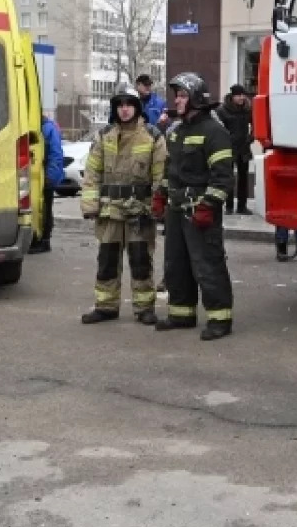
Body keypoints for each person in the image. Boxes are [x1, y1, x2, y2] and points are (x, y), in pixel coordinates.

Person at [154, 72, 237, 341]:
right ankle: (182, 313)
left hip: (200, 211)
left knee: (207, 264)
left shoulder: (214, 132)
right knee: (176, 264)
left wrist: (209, 205)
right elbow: (171, 171)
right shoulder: (177, 131)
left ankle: (219, 319)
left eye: (182, 95)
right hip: (176, 211)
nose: (176, 100)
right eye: (176, 95)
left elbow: (223, 176)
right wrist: (161, 194)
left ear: (195, 99)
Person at [79, 85, 168, 325]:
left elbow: (161, 174)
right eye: (120, 104)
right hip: (109, 210)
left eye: (129, 104)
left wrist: (159, 205)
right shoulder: (104, 135)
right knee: (107, 260)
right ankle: (106, 306)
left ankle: (144, 308)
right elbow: (92, 173)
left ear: (137, 107)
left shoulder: (152, 135)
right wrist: (90, 205)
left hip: (140, 209)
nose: (124, 109)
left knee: (140, 260)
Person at [215, 84, 253, 215]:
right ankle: (229, 206)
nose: (242, 98)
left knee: (244, 178)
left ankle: (242, 206)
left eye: (243, 95)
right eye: (239, 95)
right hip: (228, 148)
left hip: (244, 148)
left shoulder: (248, 109)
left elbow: (255, 124)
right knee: (228, 178)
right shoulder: (223, 110)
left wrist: (251, 137)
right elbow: (218, 129)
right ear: (233, 96)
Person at [29, 114, 64, 254]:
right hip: (38, 175)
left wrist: (50, 177)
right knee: (38, 207)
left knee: (45, 208)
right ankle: (37, 238)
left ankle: (44, 241)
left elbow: (56, 154)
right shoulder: (44, 127)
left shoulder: (48, 128)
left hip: (46, 176)